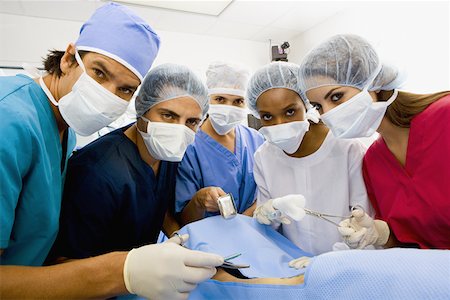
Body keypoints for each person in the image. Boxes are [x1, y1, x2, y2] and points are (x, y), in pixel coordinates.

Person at [0, 3, 223, 299]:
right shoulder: (9, 121)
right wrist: (122, 272)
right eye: (99, 73)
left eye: (126, 89)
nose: (107, 93)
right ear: (69, 59)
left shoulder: (62, 127)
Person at [298, 34, 450, 250]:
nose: (328, 114)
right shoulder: (373, 161)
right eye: (318, 106)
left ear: (374, 83)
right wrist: (380, 234)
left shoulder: (445, 117)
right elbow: (408, 241)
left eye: (336, 97)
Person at [51, 63, 209, 259]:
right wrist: (128, 275)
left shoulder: (166, 152)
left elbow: (157, 208)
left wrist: (181, 241)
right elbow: (66, 260)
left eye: (192, 122)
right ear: (142, 108)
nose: (179, 130)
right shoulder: (95, 172)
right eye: (168, 115)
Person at [248, 62, 373, 259]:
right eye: (267, 117)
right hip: (294, 264)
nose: (279, 124)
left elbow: (364, 221)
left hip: (348, 262)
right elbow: (269, 226)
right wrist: (269, 212)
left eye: (290, 111)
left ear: (306, 104)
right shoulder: (264, 157)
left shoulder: (346, 146)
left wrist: (333, 261)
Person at [175, 62, 264, 225]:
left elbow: (266, 194)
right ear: (206, 99)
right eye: (220, 99)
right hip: (206, 240)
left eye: (238, 101)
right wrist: (199, 200)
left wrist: (244, 225)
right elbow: (183, 219)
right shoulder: (189, 146)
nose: (228, 108)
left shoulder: (257, 140)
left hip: (253, 231)